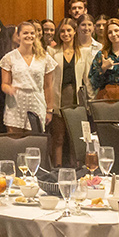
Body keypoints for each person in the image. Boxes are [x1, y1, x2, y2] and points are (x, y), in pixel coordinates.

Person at [0, 22, 57, 132]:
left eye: (32, 33)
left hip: (36, 102)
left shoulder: (44, 57)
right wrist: (9, 89)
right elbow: (4, 84)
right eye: (25, 33)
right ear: (18, 35)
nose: (29, 36)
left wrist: (49, 110)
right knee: (15, 142)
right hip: (15, 105)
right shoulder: (9, 57)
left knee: (35, 142)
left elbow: (48, 86)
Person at [48, 18, 87, 166]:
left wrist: (89, 104)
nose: (66, 34)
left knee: (76, 138)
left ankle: (76, 169)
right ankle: (57, 169)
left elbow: (87, 79)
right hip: (58, 98)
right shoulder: (52, 51)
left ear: (75, 31)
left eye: (69, 30)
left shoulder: (83, 52)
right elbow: (48, 79)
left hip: (76, 99)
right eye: (62, 31)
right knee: (58, 137)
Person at [77, 14, 103, 99]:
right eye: (83, 25)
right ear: (77, 27)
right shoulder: (72, 47)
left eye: (89, 25)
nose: (86, 28)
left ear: (94, 27)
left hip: (94, 89)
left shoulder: (100, 48)